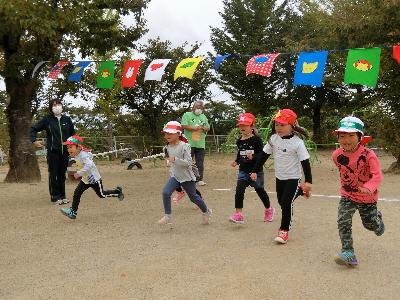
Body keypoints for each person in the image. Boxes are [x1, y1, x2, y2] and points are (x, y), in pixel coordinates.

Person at [253, 109, 312, 244]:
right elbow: (263, 155)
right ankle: (301, 191)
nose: (278, 127)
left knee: (286, 203)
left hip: (293, 177)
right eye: (277, 124)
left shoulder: (298, 142)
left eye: (282, 125)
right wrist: (255, 170)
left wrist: (308, 181)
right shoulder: (274, 139)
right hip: (279, 177)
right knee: (281, 201)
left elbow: (305, 162)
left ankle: (284, 230)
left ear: (292, 126)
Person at [332, 116, 384, 267]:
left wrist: (368, 187)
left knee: (370, 225)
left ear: (360, 137)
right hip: (348, 195)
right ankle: (348, 252)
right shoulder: (336, 155)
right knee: (343, 221)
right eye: (342, 136)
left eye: (351, 135)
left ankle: (377, 220)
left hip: (367, 198)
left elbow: (378, 175)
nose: (346, 140)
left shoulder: (369, 155)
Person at [158, 121, 212, 226]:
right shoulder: (167, 147)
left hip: (186, 177)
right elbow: (169, 159)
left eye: (170, 133)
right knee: (165, 192)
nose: (167, 135)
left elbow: (188, 163)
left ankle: (206, 211)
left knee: (193, 197)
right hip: (175, 176)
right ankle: (167, 216)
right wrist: (168, 160)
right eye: (166, 133)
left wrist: (175, 159)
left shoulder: (185, 146)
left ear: (178, 134)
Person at [60, 135, 124, 219]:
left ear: (78, 147)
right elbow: (86, 158)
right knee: (77, 193)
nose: (68, 149)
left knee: (102, 195)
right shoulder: (77, 154)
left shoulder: (83, 155)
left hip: (94, 180)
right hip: (86, 180)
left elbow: (89, 165)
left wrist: (79, 173)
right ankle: (73, 212)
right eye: (68, 147)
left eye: (70, 147)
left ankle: (117, 192)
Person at [229, 113, 274, 224]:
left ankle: (269, 209)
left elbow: (261, 155)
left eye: (245, 125)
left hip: (256, 171)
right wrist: (236, 161)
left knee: (260, 190)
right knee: (239, 190)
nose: (242, 127)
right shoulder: (239, 140)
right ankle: (238, 214)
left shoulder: (256, 140)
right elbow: (240, 152)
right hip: (243, 170)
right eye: (240, 125)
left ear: (252, 126)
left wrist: (253, 157)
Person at [31, 99, 75, 204]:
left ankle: (63, 196)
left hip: (65, 152)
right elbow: (33, 129)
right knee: (54, 174)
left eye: (58, 104)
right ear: (51, 107)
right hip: (53, 152)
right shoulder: (47, 120)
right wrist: (34, 140)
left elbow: (73, 135)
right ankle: (55, 197)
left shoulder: (67, 119)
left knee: (62, 174)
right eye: (54, 105)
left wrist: (75, 148)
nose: (57, 106)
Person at [181, 100, 210, 186]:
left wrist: (203, 128)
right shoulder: (187, 115)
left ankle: (199, 180)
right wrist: (194, 128)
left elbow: (207, 128)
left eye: (200, 108)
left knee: (200, 163)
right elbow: (184, 125)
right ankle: (186, 179)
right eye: (197, 107)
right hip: (189, 143)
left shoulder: (203, 116)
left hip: (200, 144)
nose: (199, 109)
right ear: (193, 107)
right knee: (187, 162)